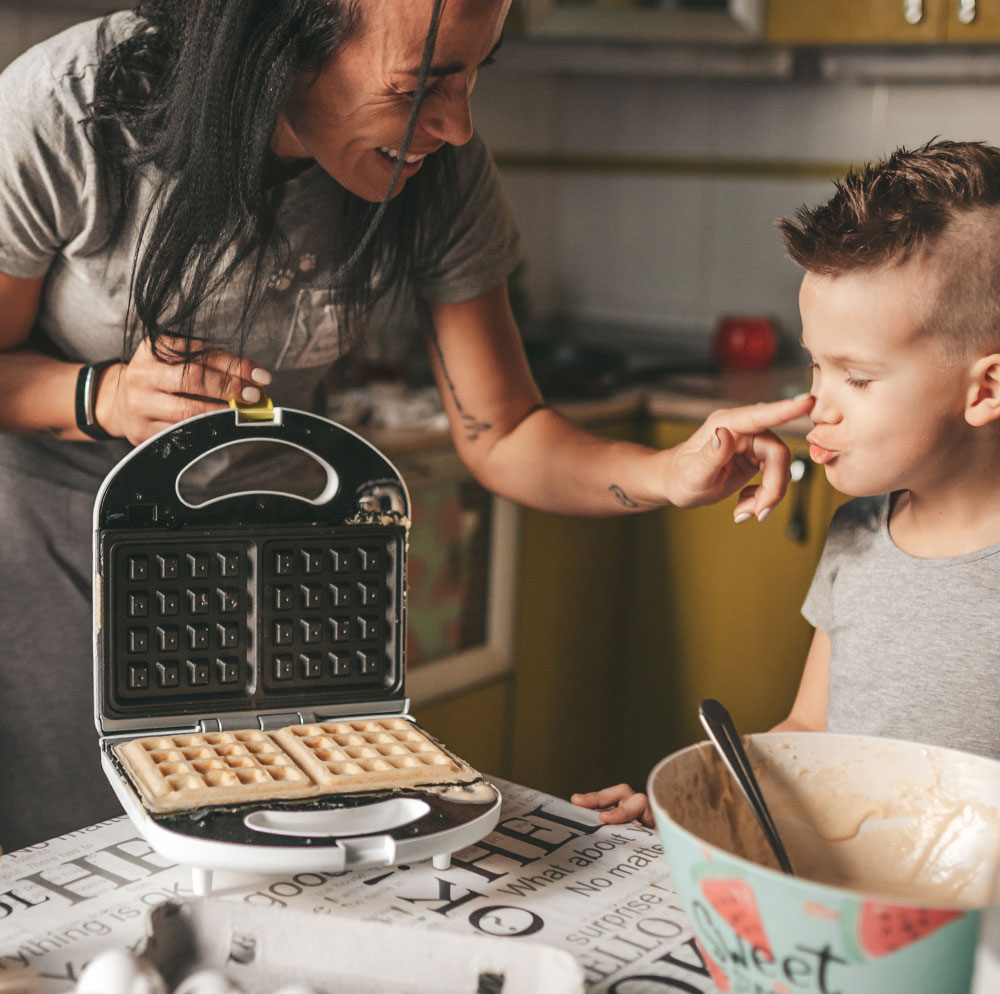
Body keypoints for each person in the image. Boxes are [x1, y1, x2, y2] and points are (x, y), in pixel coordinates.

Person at [0, 0, 811, 853]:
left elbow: (503, 430)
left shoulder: (436, 172)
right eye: (422, 86)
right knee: (84, 868)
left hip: (287, 566)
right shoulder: (68, 110)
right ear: (282, 46)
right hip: (60, 560)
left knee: (301, 856)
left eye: (470, 77)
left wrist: (666, 472)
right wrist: (100, 396)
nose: (458, 127)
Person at [574, 138, 1000, 827]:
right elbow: (810, 732)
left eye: (857, 378)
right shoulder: (860, 532)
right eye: (815, 367)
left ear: (986, 388)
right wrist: (689, 803)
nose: (817, 406)